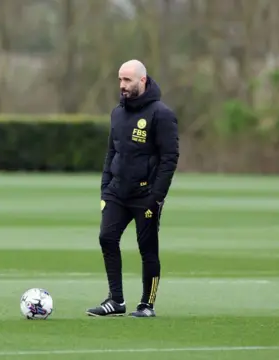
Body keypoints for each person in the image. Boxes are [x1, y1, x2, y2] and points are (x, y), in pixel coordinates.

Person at [85, 60, 179, 318]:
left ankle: (147, 305)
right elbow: (111, 152)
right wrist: (105, 189)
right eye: (119, 80)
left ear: (143, 81)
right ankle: (116, 301)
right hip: (117, 192)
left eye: (127, 80)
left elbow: (169, 159)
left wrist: (156, 197)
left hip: (145, 195)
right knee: (106, 238)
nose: (122, 85)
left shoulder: (162, 114)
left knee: (147, 249)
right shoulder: (117, 113)